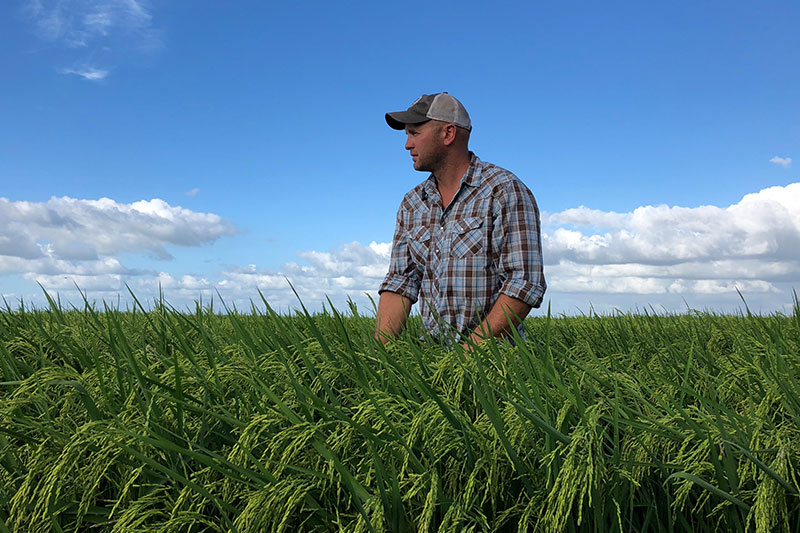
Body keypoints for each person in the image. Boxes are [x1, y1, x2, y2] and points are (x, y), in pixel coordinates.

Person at [375, 92, 546, 347]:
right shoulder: (412, 203)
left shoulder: (503, 190)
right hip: (432, 360)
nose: (407, 144)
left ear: (448, 134)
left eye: (415, 133)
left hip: (496, 361)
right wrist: (379, 358)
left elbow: (524, 283)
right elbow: (400, 283)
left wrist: (468, 355)